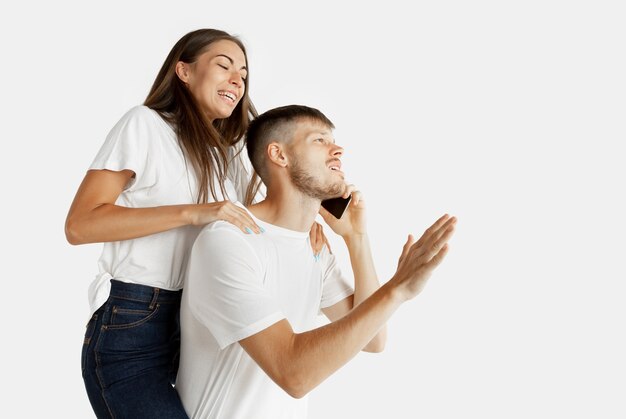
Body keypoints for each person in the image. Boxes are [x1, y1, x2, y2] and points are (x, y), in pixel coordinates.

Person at [64, 30, 327, 419]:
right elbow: (80, 225)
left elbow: (265, 210)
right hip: (136, 323)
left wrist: (305, 227)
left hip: (202, 324)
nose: (237, 79)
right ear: (183, 71)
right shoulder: (145, 125)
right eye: (223, 65)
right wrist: (194, 212)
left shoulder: (232, 151)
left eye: (243, 73)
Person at [177, 104, 457, 418]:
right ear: (279, 155)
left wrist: (355, 239)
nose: (337, 150)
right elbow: (292, 373)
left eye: (333, 141)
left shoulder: (315, 249)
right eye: (319, 140)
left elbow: (373, 338)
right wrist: (397, 289)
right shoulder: (228, 242)